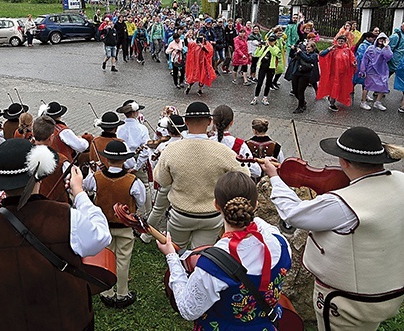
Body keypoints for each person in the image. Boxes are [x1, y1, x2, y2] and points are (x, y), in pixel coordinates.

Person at [0, 138, 112, 330]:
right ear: (39, 175)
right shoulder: (66, 217)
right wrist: (79, 193)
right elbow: (101, 236)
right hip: (65, 322)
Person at [262, 127, 404, 331]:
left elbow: (293, 214)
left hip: (348, 302)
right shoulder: (400, 180)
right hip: (388, 292)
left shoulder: (343, 204)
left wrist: (275, 177)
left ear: (344, 162)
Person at [158, 171, 292, 327]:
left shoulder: (212, 267)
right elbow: (261, 226)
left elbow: (189, 310)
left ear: (216, 205)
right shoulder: (280, 242)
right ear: (255, 205)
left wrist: (172, 257)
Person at [153, 102, 250, 251]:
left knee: (176, 252)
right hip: (211, 215)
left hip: (180, 214)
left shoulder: (171, 149)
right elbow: (245, 176)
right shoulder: (223, 151)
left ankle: (177, 272)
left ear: (185, 122)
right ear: (210, 122)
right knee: (201, 256)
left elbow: (162, 180)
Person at [83, 140, 145, 308]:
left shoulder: (95, 178)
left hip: (103, 226)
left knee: (106, 258)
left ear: (107, 160)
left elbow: (86, 189)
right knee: (123, 260)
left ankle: (106, 292)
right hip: (124, 227)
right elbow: (141, 201)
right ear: (124, 160)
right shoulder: (133, 181)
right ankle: (122, 293)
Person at [116, 100, 150, 214]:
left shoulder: (119, 128)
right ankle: (148, 212)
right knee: (145, 186)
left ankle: (124, 211)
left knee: (124, 185)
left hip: (121, 159)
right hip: (137, 158)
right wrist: (137, 166)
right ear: (135, 113)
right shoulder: (142, 128)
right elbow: (146, 149)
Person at [210, 105, 261, 179]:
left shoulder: (206, 141)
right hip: (231, 187)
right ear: (231, 123)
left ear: (213, 122)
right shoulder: (239, 145)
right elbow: (257, 172)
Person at [33, 115, 70, 203]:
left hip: (30, 208)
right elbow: (72, 186)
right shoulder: (62, 161)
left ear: (33, 134)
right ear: (51, 138)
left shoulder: (23, 154)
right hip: (57, 209)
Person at [317, 34, 357, 111]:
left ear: (345, 42)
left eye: (342, 41)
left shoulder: (347, 50)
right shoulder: (333, 50)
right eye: (339, 40)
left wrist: (354, 63)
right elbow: (322, 55)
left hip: (343, 75)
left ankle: (332, 98)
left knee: (340, 88)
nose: (340, 42)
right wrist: (329, 49)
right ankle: (332, 103)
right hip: (333, 74)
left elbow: (352, 59)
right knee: (334, 88)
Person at [359, 32, 392, 111]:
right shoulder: (370, 48)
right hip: (371, 70)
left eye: (383, 39)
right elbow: (365, 59)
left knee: (383, 86)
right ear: (377, 39)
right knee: (367, 86)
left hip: (382, 70)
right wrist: (362, 70)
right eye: (380, 39)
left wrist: (386, 47)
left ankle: (378, 102)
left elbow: (389, 57)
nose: (381, 41)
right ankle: (363, 102)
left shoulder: (386, 48)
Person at [289, 38, 319, 113]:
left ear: (313, 48)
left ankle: (301, 106)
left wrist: (300, 53)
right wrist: (293, 50)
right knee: (295, 90)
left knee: (300, 91)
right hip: (296, 72)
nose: (307, 48)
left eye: (309, 47)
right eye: (306, 47)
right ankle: (302, 102)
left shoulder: (314, 55)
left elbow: (309, 59)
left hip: (305, 75)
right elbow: (292, 56)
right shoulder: (303, 52)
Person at [250, 35, 280, 106]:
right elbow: (257, 54)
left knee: (268, 83)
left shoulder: (276, 48)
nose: (270, 42)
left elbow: (274, 53)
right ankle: (255, 97)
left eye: (272, 41)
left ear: (275, 41)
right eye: (269, 41)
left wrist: (269, 46)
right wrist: (259, 47)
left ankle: (265, 98)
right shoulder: (264, 47)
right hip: (263, 67)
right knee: (259, 83)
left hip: (271, 68)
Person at [352, 32, 376, 98]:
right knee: (356, 79)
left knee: (365, 81)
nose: (373, 39)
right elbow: (361, 56)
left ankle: (364, 94)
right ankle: (350, 90)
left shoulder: (370, 45)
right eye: (371, 37)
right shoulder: (363, 45)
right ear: (367, 38)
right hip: (361, 65)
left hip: (366, 65)